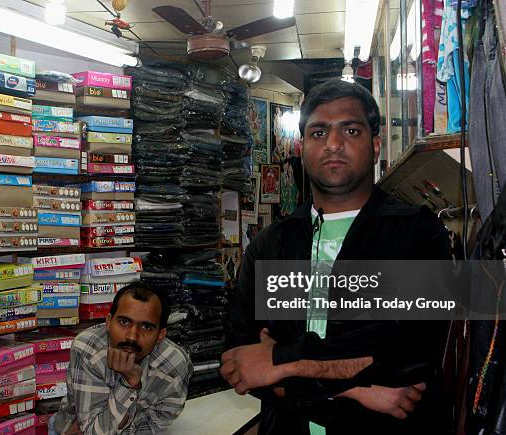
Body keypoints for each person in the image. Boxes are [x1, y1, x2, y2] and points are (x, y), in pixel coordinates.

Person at [221, 79, 451, 434]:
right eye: (318, 132)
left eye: (351, 130)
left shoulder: (417, 232)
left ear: (375, 146)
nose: (332, 143)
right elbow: (242, 362)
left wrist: (281, 361)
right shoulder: (270, 245)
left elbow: (411, 350)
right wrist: (358, 388)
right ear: (301, 147)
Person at [51, 281, 193, 434]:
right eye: (124, 322)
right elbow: (93, 432)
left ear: (160, 335)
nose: (132, 336)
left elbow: (159, 422)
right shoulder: (88, 350)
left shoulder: (174, 364)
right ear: (108, 322)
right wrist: (129, 384)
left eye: (146, 327)